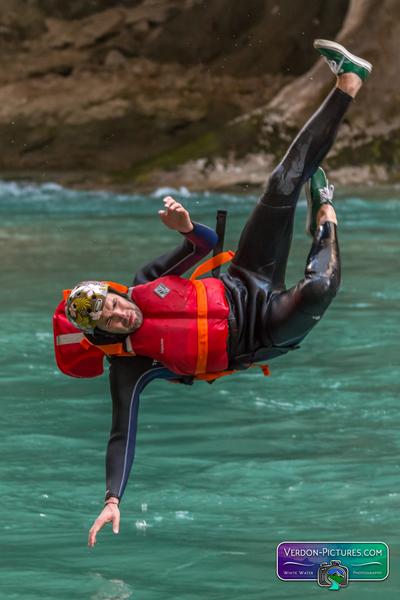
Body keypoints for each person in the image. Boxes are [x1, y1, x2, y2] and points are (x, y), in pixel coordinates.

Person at [57, 40, 372, 546]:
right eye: (110, 320)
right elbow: (121, 435)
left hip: (246, 278)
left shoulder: (145, 282)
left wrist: (185, 226)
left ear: (115, 292)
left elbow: (203, 245)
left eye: (114, 302)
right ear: (102, 334)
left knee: (281, 182)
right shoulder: (130, 366)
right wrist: (113, 498)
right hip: (261, 333)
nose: (120, 314)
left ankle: (348, 81)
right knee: (318, 289)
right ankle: (327, 214)